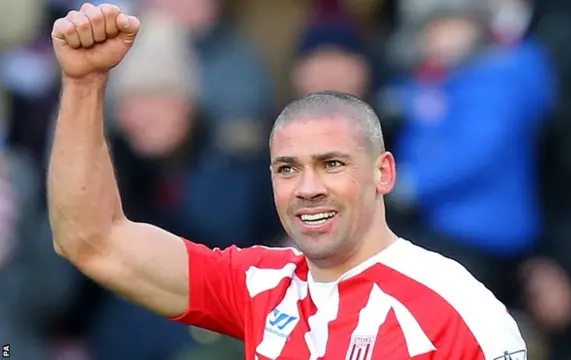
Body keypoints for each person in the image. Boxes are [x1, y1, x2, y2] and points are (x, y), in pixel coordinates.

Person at [48, 3, 526, 359]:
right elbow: (92, 240)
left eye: (333, 164)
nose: (308, 187)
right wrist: (84, 85)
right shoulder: (259, 283)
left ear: (384, 172)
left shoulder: (458, 308)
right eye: (288, 168)